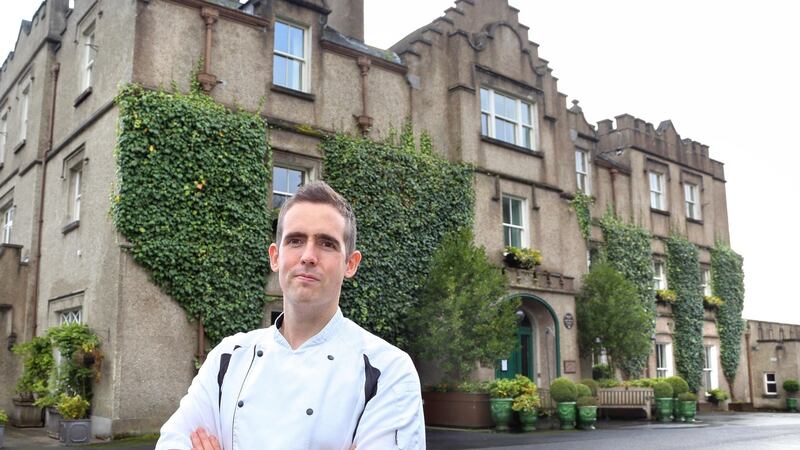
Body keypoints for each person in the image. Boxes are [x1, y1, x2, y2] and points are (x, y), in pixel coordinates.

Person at [156, 181, 426, 450]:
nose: (308, 256)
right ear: (275, 257)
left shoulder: (388, 371)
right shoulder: (228, 358)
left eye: (326, 244)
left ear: (350, 264)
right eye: (296, 240)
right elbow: (172, 443)